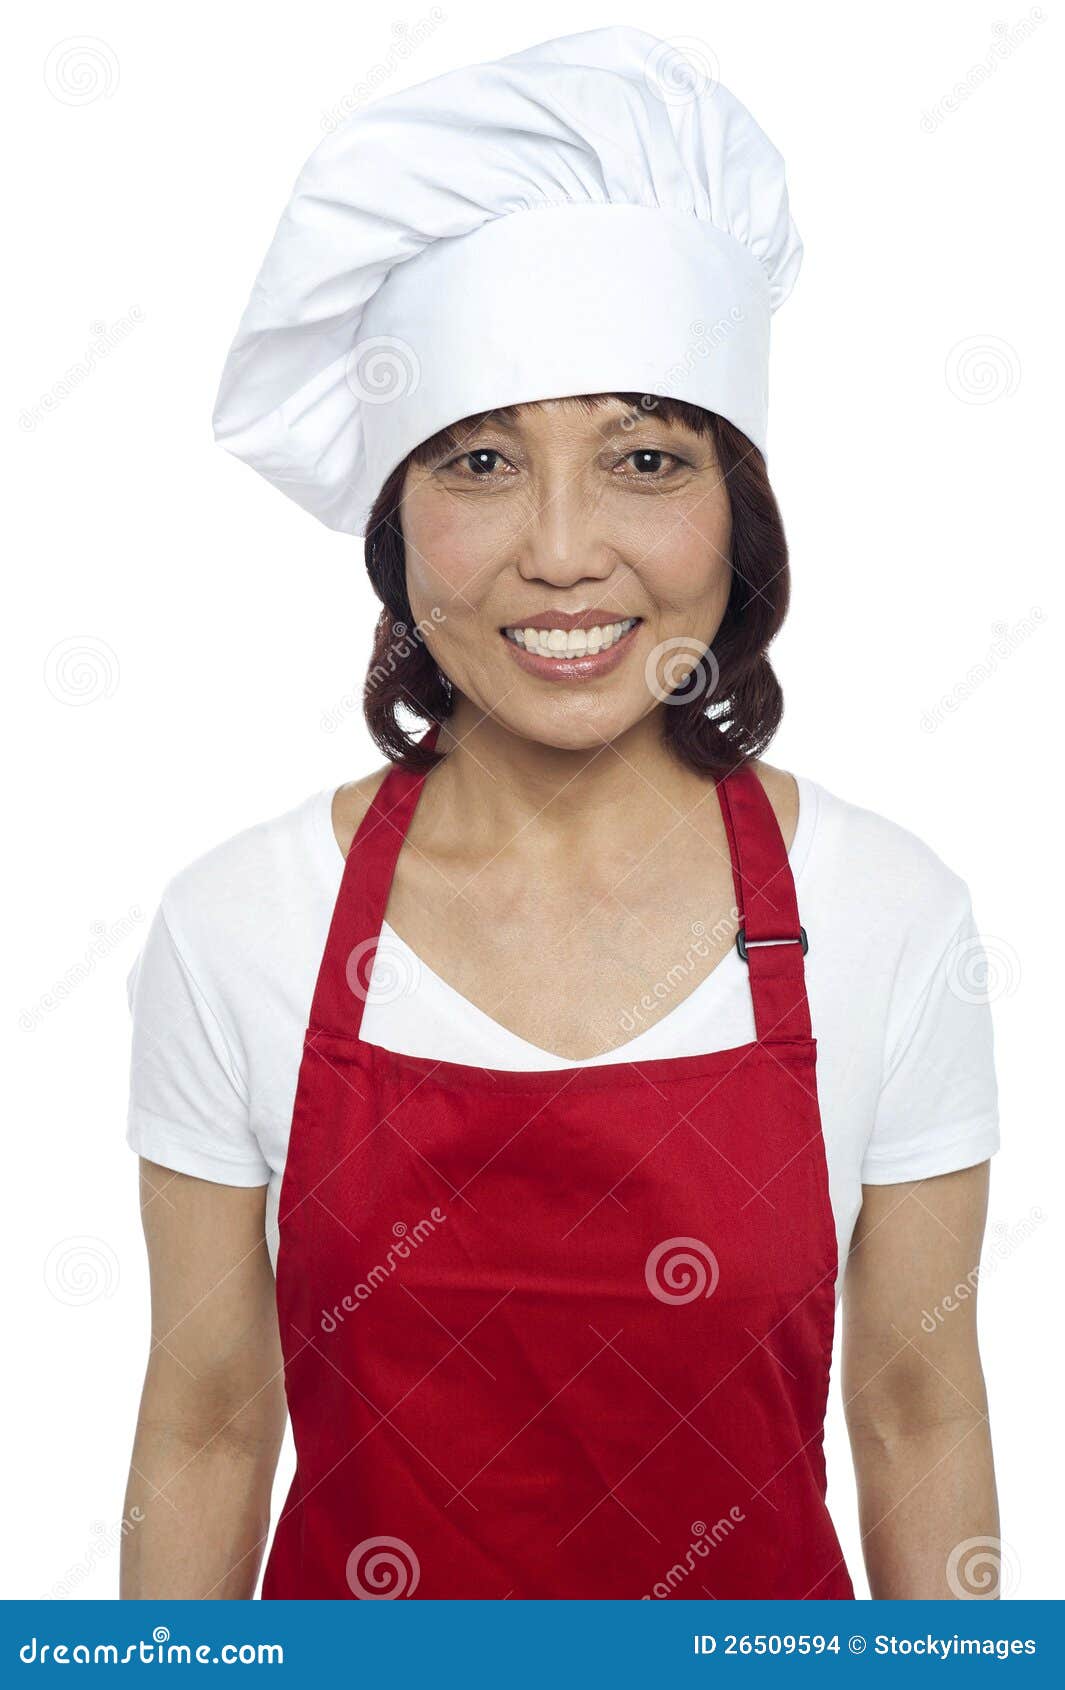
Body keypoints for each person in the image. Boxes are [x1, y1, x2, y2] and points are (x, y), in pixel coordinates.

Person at [121, 26, 1000, 1601]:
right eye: (479, 460)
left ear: (737, 508)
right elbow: (202, 1427)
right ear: (397, 523)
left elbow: (915, 1408)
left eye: (643, 458)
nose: (562, 552)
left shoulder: (890, 916)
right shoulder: (236, 925)